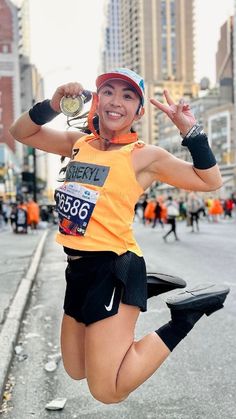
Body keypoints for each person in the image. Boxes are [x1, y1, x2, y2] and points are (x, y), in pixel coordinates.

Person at [9, 67, 229, 404]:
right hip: (78, 268)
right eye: (109, 92)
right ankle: (141, 290)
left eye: (128, 96)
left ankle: (184, 316)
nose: (116, 101)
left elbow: (210, 181)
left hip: (112, 267)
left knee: (106, 390)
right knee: (75, 368)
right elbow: (20, 131)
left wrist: (190, 131)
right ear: (96, 101)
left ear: (139, 112)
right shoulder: (78, 144)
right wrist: (52, 105)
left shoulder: (144, 156)